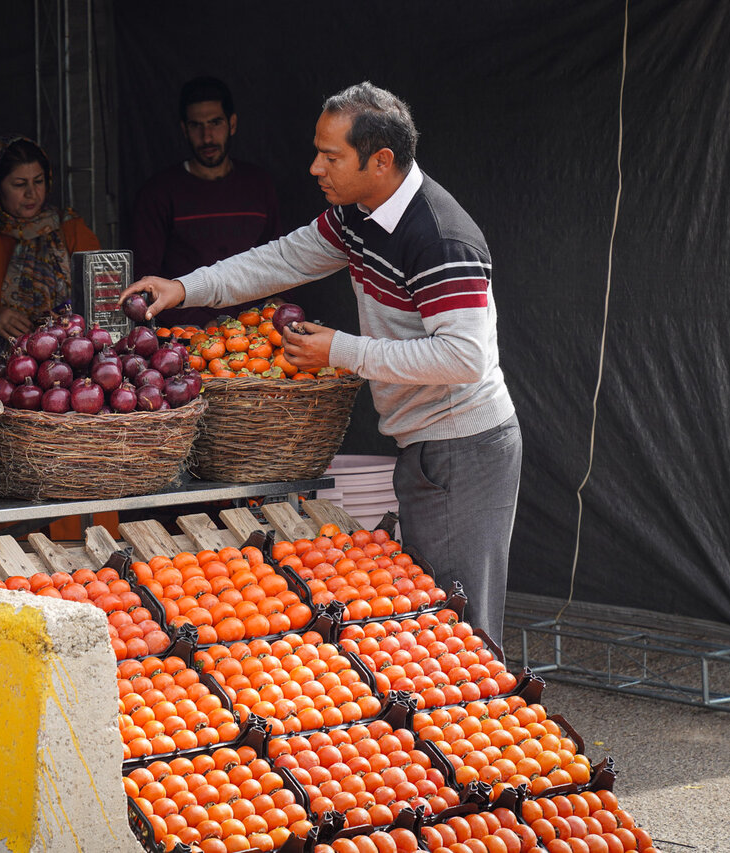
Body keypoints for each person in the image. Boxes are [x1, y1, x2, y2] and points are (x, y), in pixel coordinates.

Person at [123, 82, 522, 642]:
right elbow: (281, 260)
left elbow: (464, 357)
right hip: (428, 443)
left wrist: (340, 350)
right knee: (440, 621)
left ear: (380, 160)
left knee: (463, 628)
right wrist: (184, 288)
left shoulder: (441, 239)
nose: (314, 168)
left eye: (331, 156)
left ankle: (491, 726)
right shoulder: (359, 214)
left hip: (464, 445)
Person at [129, 76, 286, 329]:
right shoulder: (158, 192)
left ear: (232, 124)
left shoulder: (258, 184)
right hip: (187, 338)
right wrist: (203, 326)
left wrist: (278, 307)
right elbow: (146, 281)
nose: (207, 136)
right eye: (196, 125)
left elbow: (282, 259)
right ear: (184, 129)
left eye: (215, 123)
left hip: (258, 339)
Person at [0, 134, 100, 369]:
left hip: (72, 375)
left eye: (38, 181)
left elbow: (104, 301)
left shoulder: (71, 230)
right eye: (19, 184)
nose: (32, 193)